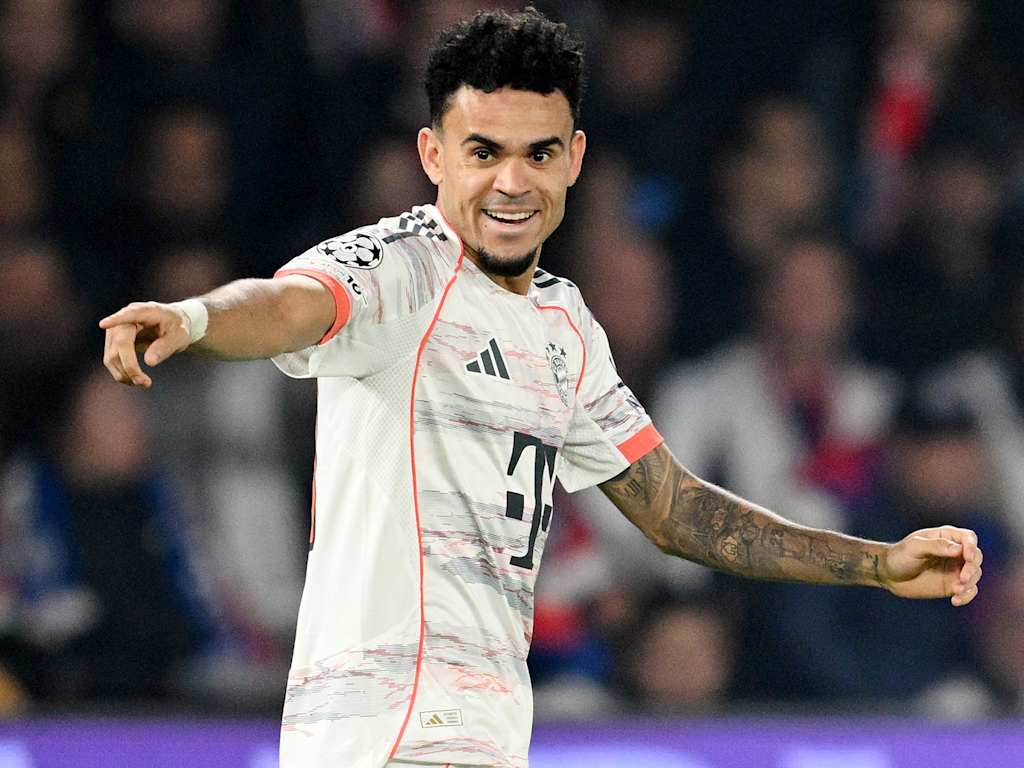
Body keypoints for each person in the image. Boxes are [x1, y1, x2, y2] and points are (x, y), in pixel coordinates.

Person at [99, 9, 984, 768]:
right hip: (387, 733)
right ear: (432, 154)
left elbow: (675, 509)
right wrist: (198, 319)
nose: (511, 181)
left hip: (483, 731)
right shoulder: (400, 269)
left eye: (538, 153)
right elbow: (292, 306)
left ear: (575, 158)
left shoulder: (563, 327)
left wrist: (875, 563)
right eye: (483, 151)